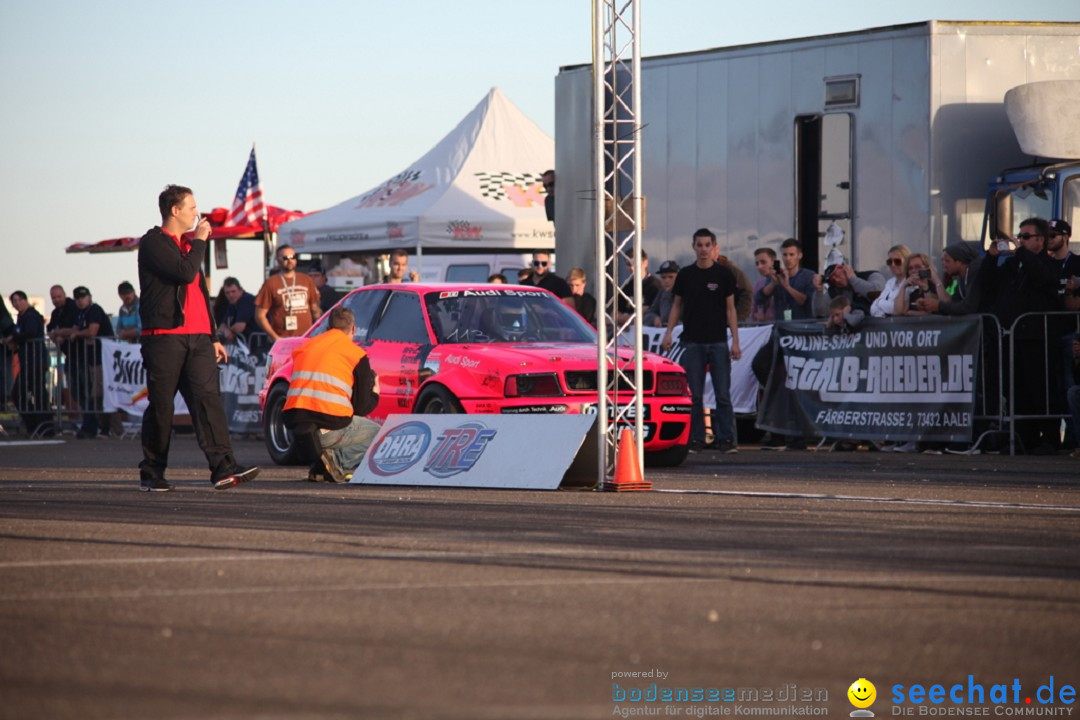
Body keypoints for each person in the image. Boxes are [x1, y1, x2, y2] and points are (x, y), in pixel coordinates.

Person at [137, 184, 260, 492]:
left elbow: (201, 292)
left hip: (199, 338)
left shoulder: (189, 245)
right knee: (162, 406)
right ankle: (152, 472)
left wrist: (213, 334)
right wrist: (201, 241)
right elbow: (183, 272)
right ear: (174, 210)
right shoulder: (154, 242)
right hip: (164, 338)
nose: (196, 212)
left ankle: (223, 467)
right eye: (191, 207)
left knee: (208, 401)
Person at [979, 216, 1061, 454]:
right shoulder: (1013, 266)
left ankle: (1050, 438)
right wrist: (991, 258)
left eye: (1026, 237)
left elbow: (1043, 278)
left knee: (1040, 389)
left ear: (1041, 239)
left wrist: (1022, 251)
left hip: (1037, 337)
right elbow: (988, 284)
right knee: (1016, 390)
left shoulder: (1049, 263)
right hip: (1011, 337)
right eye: (1020, 236)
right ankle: (1025, 437)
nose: (1021, 241)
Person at [662, 228, 741, 454]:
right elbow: (677, 305)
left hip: (718, 341)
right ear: (693, 247)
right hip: (692, 341)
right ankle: (696, 438)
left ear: (714, 247)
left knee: (723, 394)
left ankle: (727, 439)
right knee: (694, 395)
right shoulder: (686, 275)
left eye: (708, 245)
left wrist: (735, 341)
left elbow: (730, 309)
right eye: (700, 245)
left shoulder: (724, 275)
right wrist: (669, 332)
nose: (704, 249)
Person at [283, 307, 381, 483]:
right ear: (353, 330)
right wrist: (375, 393)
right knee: (379, 434)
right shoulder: (356, 355)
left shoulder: (306, 347)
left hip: (296, 427)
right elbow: (360, 408)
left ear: (328, 328)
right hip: (328, 427)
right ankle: (335, 462)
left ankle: (322, 465)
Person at [69, 286, 115, 438]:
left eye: (83, 297)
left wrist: (77, 334)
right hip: (91, 360)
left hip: (101, 359)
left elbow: (92, 331)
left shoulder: (94, 310)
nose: (81, 301)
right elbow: (75, 329)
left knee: (99, 394)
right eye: (78, 298)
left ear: (89, 297)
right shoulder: (82, 313)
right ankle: (99, 427)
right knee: (93, 394)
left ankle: (108, 428)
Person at [255, 245, 321, 343]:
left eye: (292, 257)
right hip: (283, 340)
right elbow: (260, 315)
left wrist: (319, 331)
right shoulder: (271, 283)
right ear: (278, 260)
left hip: (306, 339)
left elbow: (315, 309)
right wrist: (275, 337)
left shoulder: (306, 280)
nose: (289, 260)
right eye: (285, 258)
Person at [6, 291, 48, 435]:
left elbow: (29, 333)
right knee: (22, 393)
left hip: (35, 360)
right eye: (14, 301)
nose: (17, 303)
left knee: (35, 393)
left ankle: (41, 426)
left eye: (19, 300)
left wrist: (14, 338)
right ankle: (35, 425)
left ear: (25, 300)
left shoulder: (30, 316)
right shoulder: (21, 317)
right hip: (27, 361)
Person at [916, 243, 984, 317]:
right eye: (942, 260)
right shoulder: (961, 279)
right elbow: (952, 303)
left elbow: (968, 307)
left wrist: (939, 306)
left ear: (960, 261)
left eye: (947, 260)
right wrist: (930, 303)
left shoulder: (974, 273)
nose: (943, 264)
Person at [755, 238, 816, 320]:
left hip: (802, 327)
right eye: (785, 255)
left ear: (799, 255)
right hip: (781, 327)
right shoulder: (777, 275)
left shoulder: (808, 276)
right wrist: (773, 283)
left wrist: (787, 287)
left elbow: (807, 302)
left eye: (791, 255)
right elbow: (759, 300)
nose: (788, 258)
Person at [813, 262, 886, 317]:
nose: (837, 280)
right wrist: (819, 291)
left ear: (844, 269)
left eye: (837, 275)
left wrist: (853, 280)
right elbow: (820, 314)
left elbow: (877, 292)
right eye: (833, 281)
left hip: (877, 325)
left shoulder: (870, 275)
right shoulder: (835, 291)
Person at [617, 251, 661, 324]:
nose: (632, 268)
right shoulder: (627, 286)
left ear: (645, 263)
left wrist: (622, 319)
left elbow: (648, 311)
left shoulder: (655, 286)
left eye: (635, 264)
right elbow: (615, 313)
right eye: (628, 264)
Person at [869, 245, 912, 317]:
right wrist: (882, 314)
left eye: (897, 261)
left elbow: (896, 309)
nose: (893, 265)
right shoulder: (890, 282)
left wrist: (879, 302)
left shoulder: (911, 282)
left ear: (907, 262)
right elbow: (873, 308)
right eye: (889, 262)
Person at [214, 277, 257, 345]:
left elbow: (239, 327)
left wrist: (228, 331)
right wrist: (226, 330)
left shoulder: (246, 300)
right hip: (243, 343)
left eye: (233, 291)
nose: (230, 295)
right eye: (227, 293)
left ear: (240, 290)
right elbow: (222, 325)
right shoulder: (232, 304)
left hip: (255, 343)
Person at [716, 253, 752, 323]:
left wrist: (739, 317)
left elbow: (746, 291)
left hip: (729, 320)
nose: (704, 249)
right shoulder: (697, 270)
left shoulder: (730, 270)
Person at [644, 260, 679, 328]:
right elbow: (649, 314)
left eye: (670, 277)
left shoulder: (686, 293)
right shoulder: (662, 292)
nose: (667, 280)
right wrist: (654, 319)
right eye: (663, 277)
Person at [750, 248, 778, 323]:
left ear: (773, 261)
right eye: (757, 263)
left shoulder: (784, 281)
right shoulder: (758, 284)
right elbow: (753, 312)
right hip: (762, 329)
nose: (759, 267)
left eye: (763, 262)